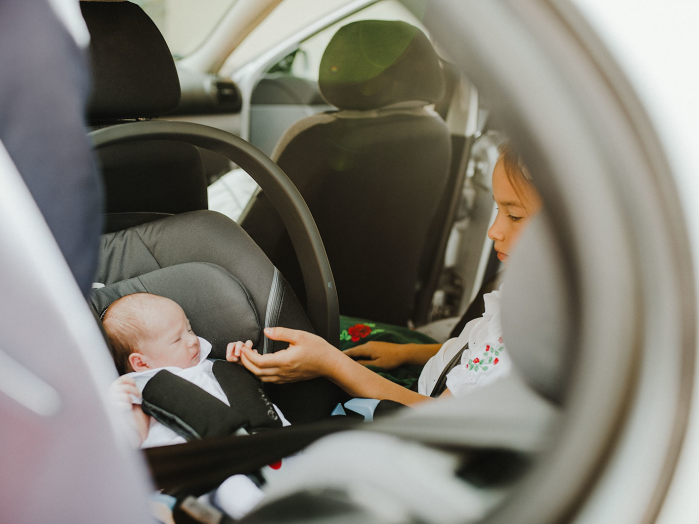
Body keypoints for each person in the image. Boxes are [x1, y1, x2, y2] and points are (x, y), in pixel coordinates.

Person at [228, 143, 542, 405]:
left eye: (514, 215)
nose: (493, 231)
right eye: (498, 210)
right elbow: (478, 348)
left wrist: (331, 365)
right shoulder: (528, 296)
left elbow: (442, 419)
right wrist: (403, 352)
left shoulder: (531, 329)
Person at [104, 293, 288, 448]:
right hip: (207, 467)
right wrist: (118, 411)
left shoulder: (213, 367)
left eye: (189, 329)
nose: (193, 340)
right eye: (177, 340)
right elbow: (133, 443)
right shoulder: (140, 391)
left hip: (274, 441)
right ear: (142, 364)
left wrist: (243, 366)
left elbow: (249, 394)